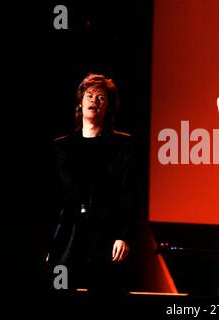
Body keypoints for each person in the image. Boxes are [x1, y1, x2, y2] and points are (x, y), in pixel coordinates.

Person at [47, 73, 139, 295]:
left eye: (101, 98)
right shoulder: (63, 147)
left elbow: (129, 194)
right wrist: (51, 244)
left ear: (108, 108)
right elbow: (54, 197)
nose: (94, 101)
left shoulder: (122, 145)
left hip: (105, 236)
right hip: (68, 236)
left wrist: (123, 235)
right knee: (60, 287)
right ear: (80, 102)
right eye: (89, 95)